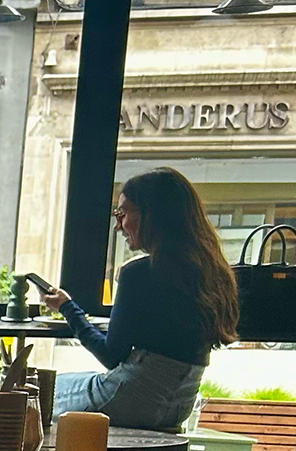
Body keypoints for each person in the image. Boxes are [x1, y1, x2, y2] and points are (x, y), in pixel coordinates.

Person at [37, 167, 238, 430]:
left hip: (130, 400)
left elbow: (110, 355)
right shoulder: (212, 272)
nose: (118, 225)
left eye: (122, 214)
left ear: (151, 215)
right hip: (180, 406)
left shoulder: (139, 272)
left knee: (43, 392)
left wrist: (67, 307)